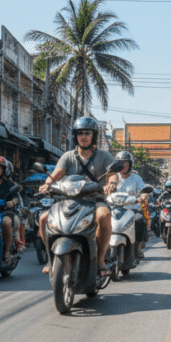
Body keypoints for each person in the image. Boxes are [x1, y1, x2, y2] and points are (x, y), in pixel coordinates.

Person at [38, 117, 117, 275]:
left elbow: (112, 175)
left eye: (87, 133)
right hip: (69, 201)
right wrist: (47, 184)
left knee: (104, 215)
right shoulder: (68, 156)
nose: (83, 136)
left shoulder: (105, 156)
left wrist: (111, 184)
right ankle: (51, 258)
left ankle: (100, 260)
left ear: (93, 136)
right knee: (44, 218)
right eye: (80, 133)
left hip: (95, 201)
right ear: (75, 136)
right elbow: (55, 175)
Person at [113, 150, 149, 260]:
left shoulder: (137, 178)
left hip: (132, 210)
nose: (123, 166)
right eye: (120, 163)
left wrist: (143, 196)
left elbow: (144, 190)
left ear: (130, 164)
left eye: (125, 163)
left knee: (140, 221)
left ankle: (137, 246)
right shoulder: (113, 178)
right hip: (115, 210)